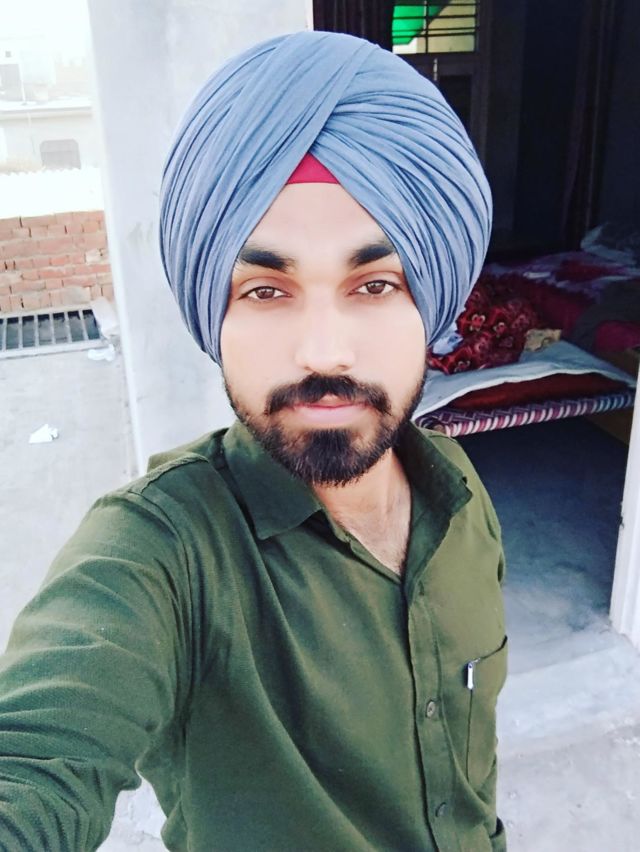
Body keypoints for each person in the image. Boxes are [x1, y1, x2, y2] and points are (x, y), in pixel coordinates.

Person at [0, 30, 507, 852]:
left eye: (375, 285)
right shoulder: (162, 552)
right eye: (266, 290)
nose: (323, 353)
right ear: (216, 312)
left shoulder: (461, 494)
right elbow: (33, 762)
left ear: (429, 307)